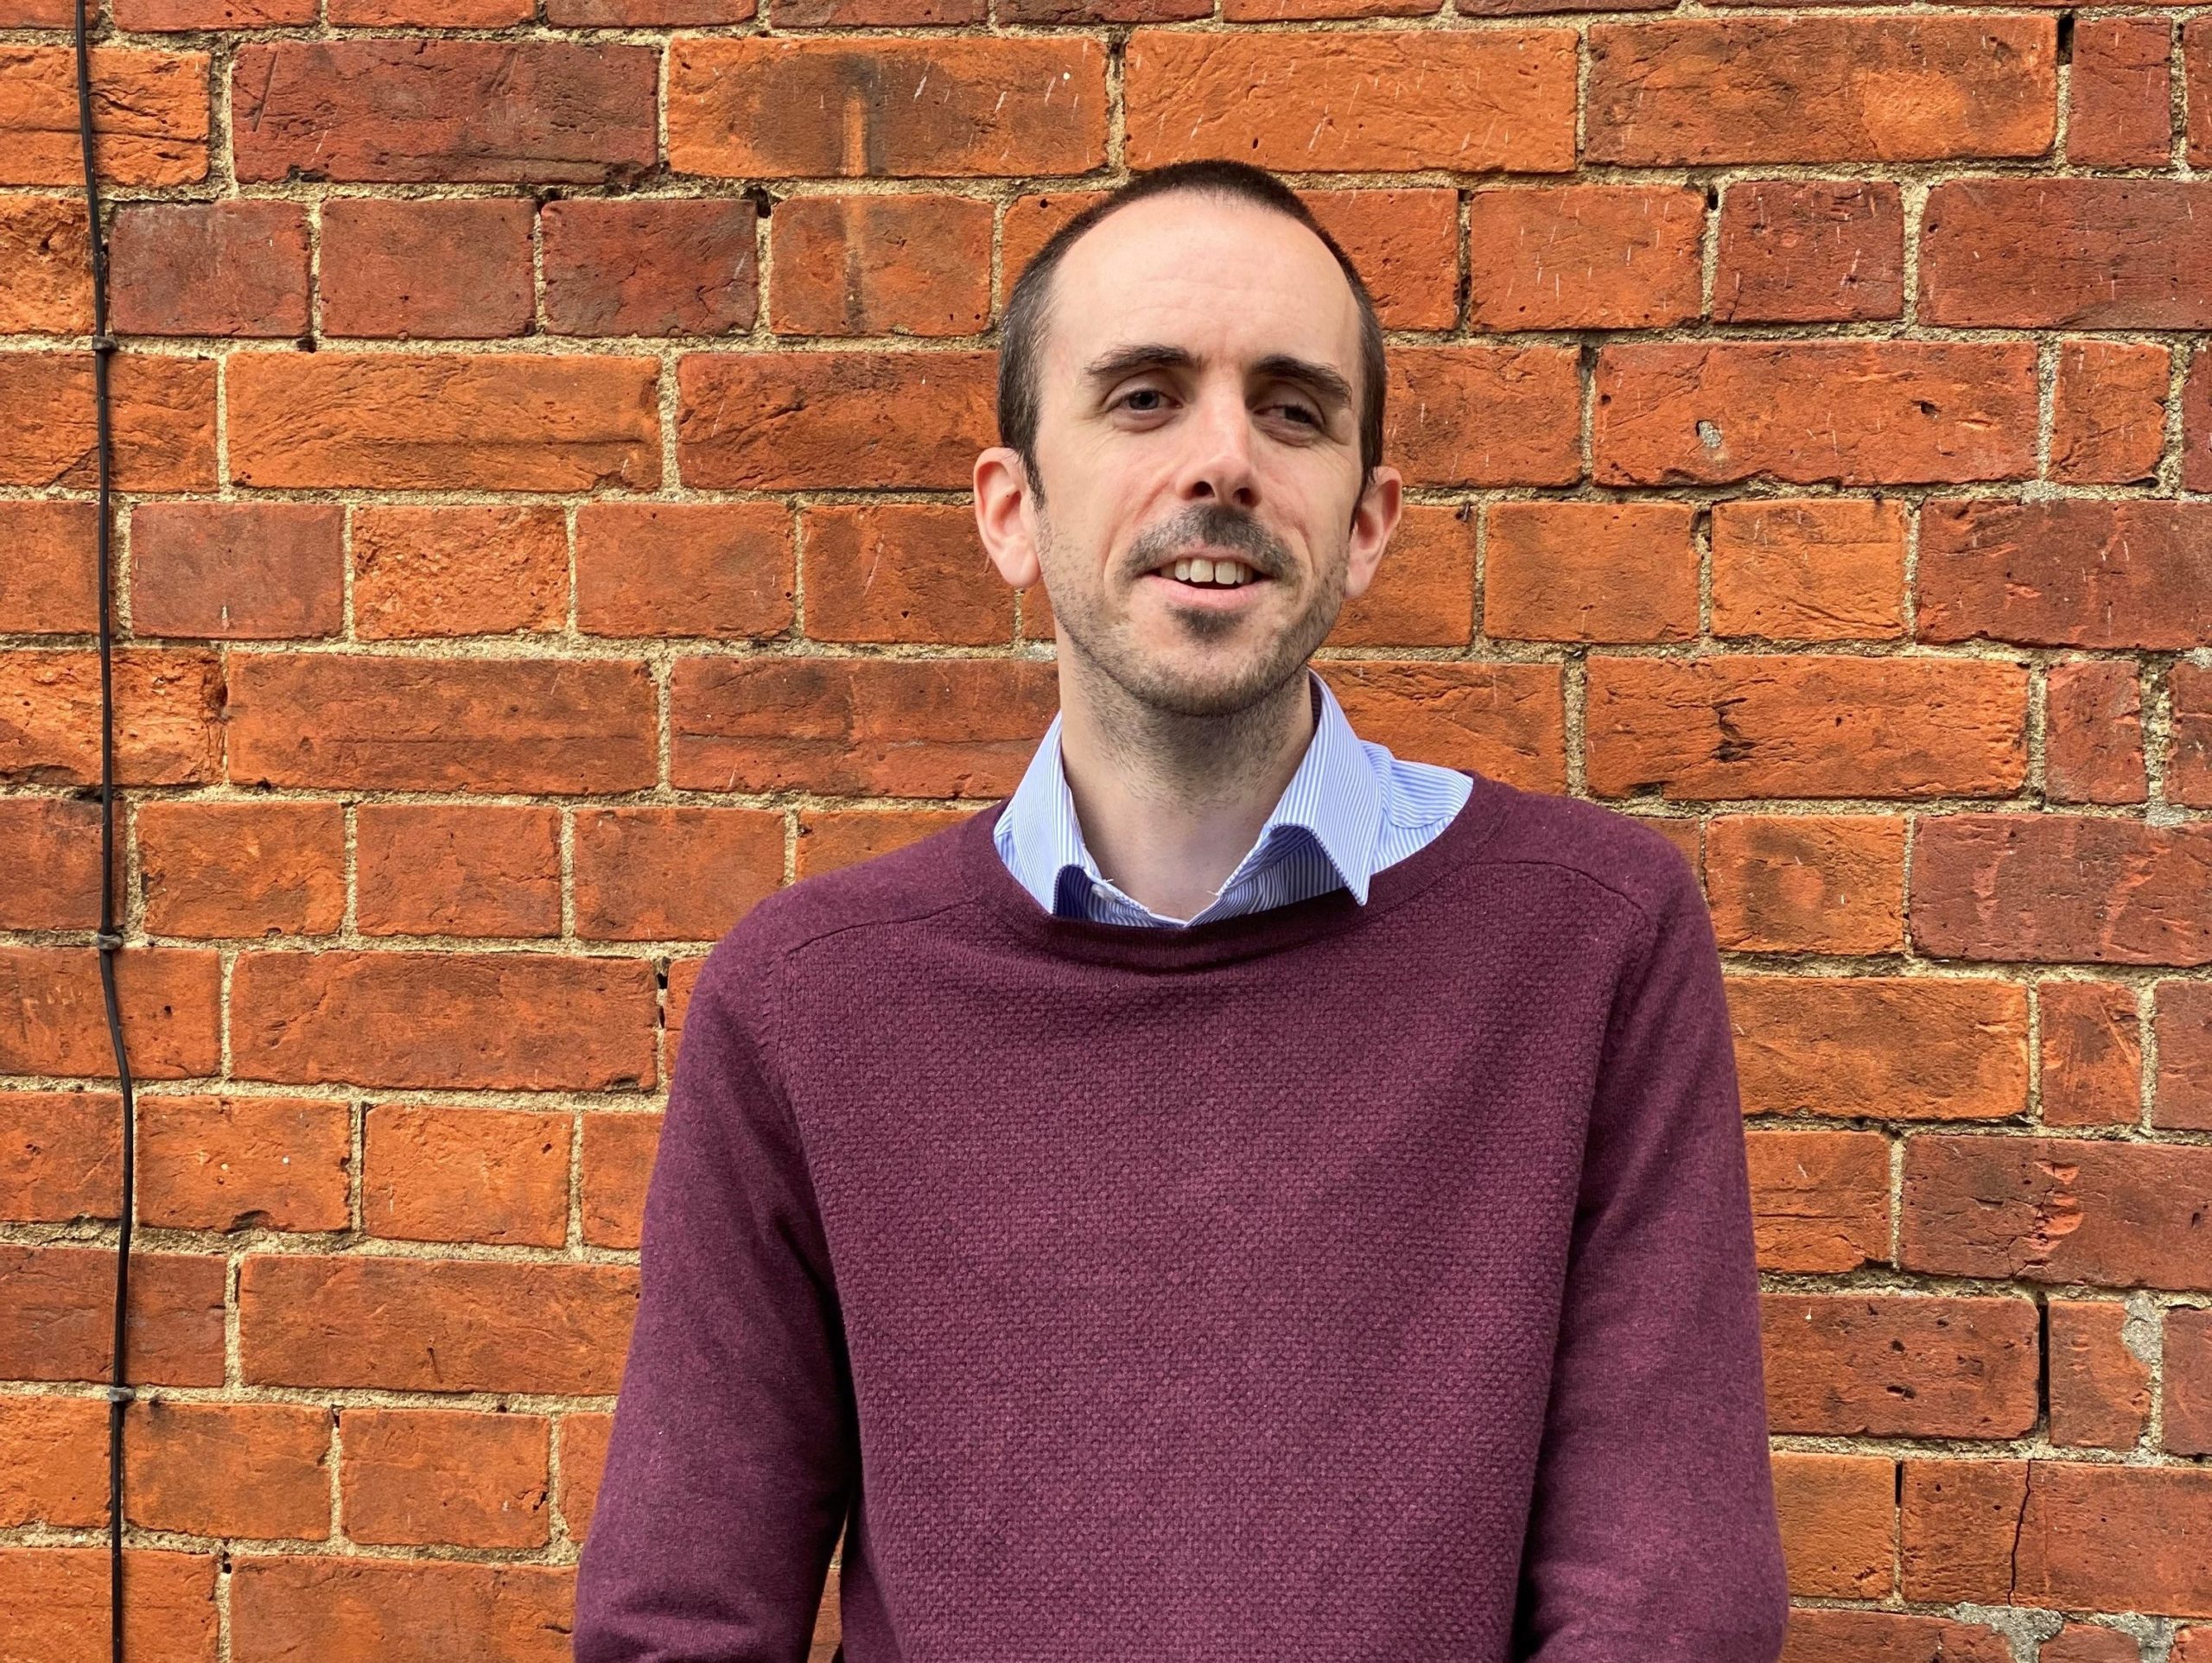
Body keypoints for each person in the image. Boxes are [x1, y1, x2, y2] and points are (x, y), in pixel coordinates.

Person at [571, 159, 1789, 1662]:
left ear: (1366, 521)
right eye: (1144, 397)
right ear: (1011, 510)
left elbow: (1668, 1612)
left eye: (1293, 408)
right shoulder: (809, 1002)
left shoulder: (1589, 942)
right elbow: (681, 1617)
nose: (1223, 460)